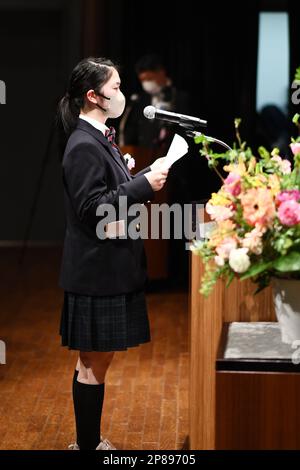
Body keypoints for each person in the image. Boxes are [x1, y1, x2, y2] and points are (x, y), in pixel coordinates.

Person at [56, 57, 169, 450]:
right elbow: (92, 208)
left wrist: (134, 176)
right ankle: (87, 446)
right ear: (93, 95)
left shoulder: (100, 136)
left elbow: (106, 194)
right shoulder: (82, 144)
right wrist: (143, 186)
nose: (121, 95)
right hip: (96, 272)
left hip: (107, 268)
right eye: (116, 88)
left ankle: (87, 442)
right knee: (93, 363)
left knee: (93, 362)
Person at [118, 53, 190, 153]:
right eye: (142, 80)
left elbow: (185, 132)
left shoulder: (179, 97)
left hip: (172, 158)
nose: (146, 83)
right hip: (144, 158)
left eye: (149, 79)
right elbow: (132, 130)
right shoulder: (139, 100)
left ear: (161, 72)